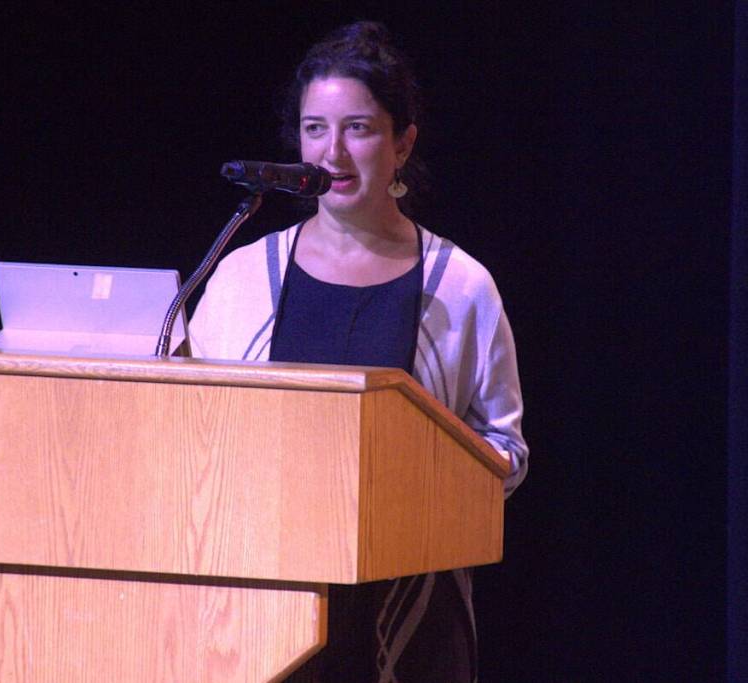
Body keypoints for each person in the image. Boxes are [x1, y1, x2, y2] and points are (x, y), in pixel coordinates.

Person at [189, 21, 528, 683]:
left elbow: (504, 455)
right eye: (315, 128)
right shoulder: (242, 276)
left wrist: (424, 472)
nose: (333, 152)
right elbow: (195, 428)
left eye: (359, 129)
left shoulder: (460, 285)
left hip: (411, 607)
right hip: (262, 605)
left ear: (403, 144)